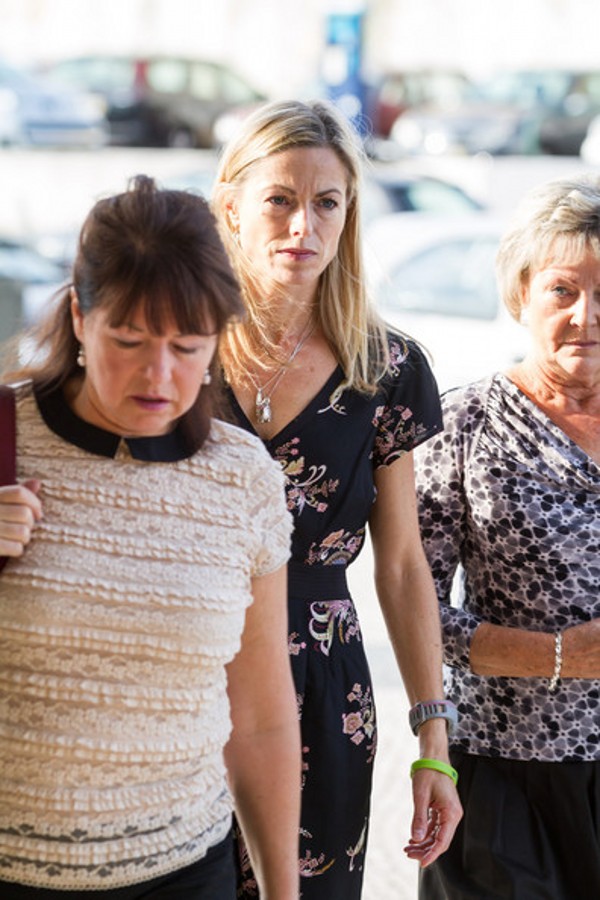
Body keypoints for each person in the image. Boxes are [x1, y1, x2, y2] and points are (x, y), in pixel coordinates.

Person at [0, 175, 301, 900]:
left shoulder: (243, 478)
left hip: (183, 870)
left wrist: (283, 891)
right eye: (129, 340)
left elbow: (261, 718)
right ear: (80, 317)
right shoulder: (7, 435)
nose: (158, 375)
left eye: (188, 346)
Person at [212, 98, 463, 900]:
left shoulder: (385, 367)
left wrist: (433, 739)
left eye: (326, 203)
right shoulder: (179, 349)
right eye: (279, 199)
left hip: (323, 684)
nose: (304, 226)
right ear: (231, 207)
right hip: (188, 664)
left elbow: (401, 564)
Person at [414, 172, 600, 899]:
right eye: (563, 290)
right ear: (521, 294)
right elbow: (414, 608)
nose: (587, 315)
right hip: (504, 778)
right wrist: (559, 656)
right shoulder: (462, 425)